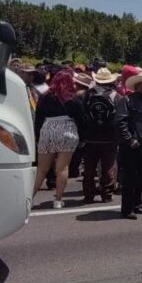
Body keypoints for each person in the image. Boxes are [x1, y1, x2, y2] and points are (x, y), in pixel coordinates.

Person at [33, 69, 83, 209]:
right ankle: (58, 200)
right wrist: (82, 138)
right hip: (67, 129)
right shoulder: (73, 98)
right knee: (62, 168)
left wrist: (38, 136)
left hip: (48, 129)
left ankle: (29, 198)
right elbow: (81, 119)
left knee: (42, 169)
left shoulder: (44, 97)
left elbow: (38, 118)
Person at [115, 71, 142, 220]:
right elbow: (121, 122)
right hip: (133, 145)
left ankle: (137, 204)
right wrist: (130, 139)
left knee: (141, 177)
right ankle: (127, 209)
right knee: (130, 178)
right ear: (137, 86)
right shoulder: (127, 101)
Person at [79, 67, 120, 204]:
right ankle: (106, 194)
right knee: (108, 167)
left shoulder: (86, 94)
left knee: (89, 167)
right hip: (109, 137)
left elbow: (82, 115)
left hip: (90, 137)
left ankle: (88, 195)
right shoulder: (116, 95)